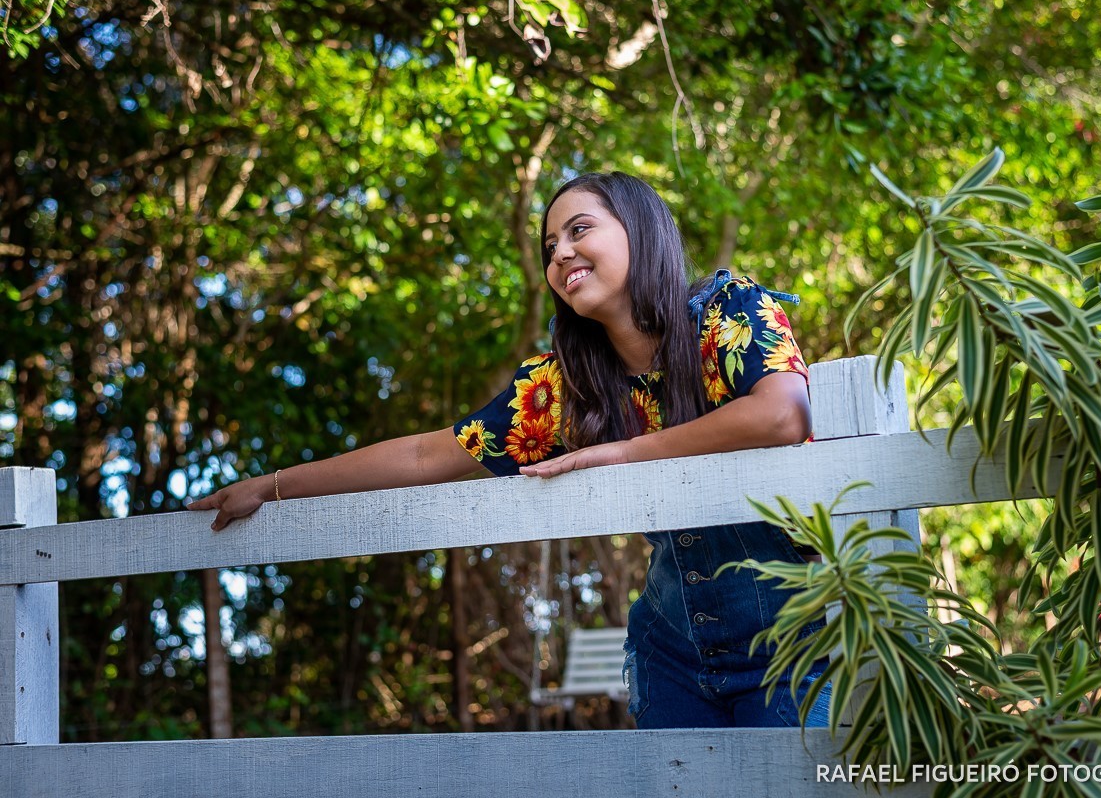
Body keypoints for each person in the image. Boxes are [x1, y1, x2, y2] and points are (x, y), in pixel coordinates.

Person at [188, 171, 829, 728]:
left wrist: (625, 454)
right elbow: (424, 456)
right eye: (550, 246)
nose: (561, 253)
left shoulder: (728, 313)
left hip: (793, 638)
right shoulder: (566, 386)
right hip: (672, 652)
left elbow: (779, 413)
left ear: (642, 229)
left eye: (579, 230)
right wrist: (271, 485)